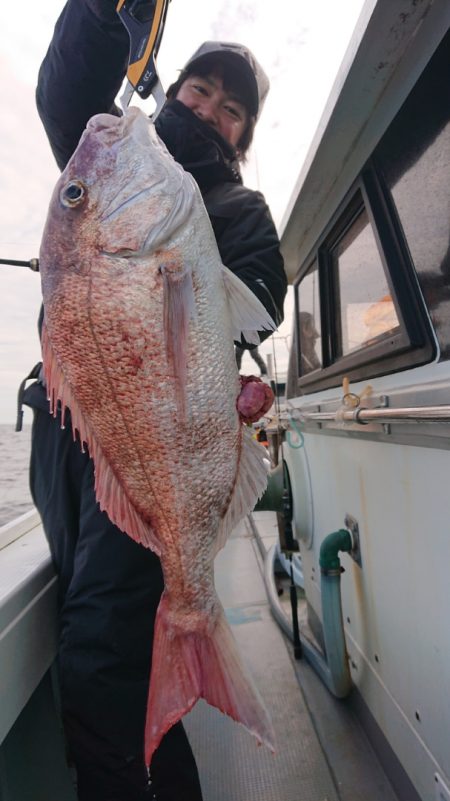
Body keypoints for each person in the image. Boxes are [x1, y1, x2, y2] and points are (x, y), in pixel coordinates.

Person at [23, 2, 287, 800]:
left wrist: (231, 374)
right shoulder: (109, 151)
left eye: (231, 109)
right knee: (93, 636)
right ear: (174, 87)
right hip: (66, 451)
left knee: (103, 664)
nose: (209, 109)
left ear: (243, 137)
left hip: (147, 453)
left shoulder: (237, 212)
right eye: (201, 90)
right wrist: (107, 14)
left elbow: (255, 300)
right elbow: (66, 89)